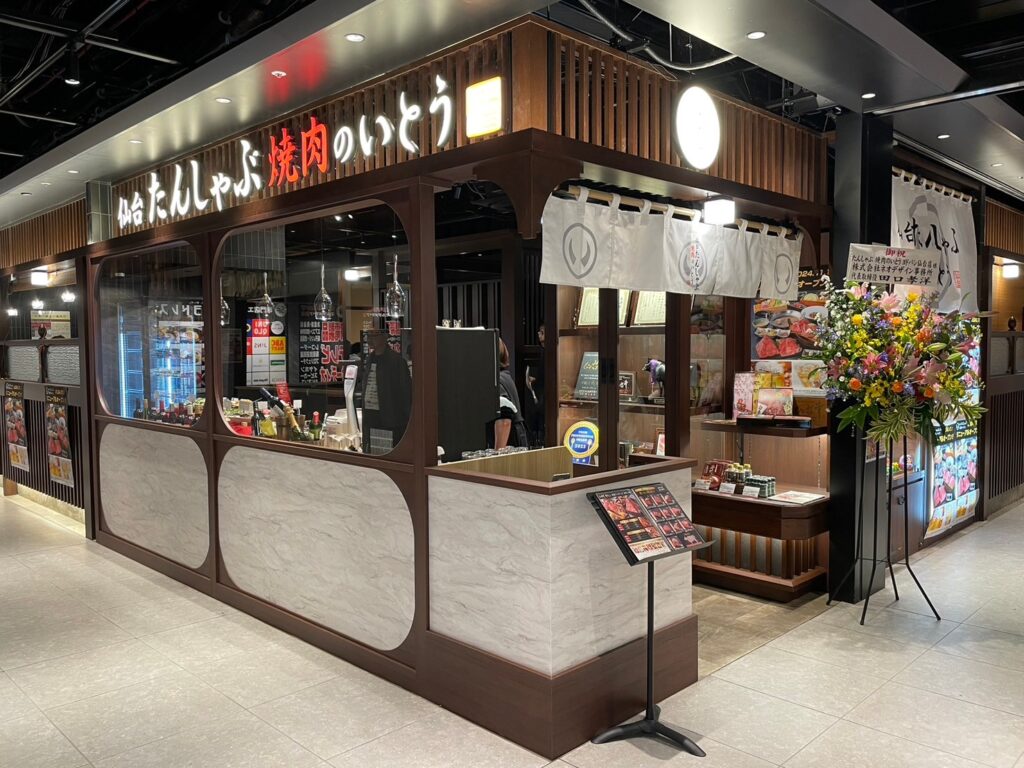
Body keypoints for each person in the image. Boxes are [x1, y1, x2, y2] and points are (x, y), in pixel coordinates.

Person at [360, 330, 412, 455]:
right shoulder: (370, 359)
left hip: (390, 418)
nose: (369, 339)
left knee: (388, 452)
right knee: (372, 451)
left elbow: (405, 393)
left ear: (384, 337)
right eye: (368, 336)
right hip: (371, 415)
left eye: (374, 336)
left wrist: (406, 419)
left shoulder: (396, 361)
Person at [489, 339, 529, 449]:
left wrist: (497, 454)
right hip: (517, 435)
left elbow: (504, 418)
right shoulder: (504, 375)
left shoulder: (496, 380)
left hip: (510, 441)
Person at [525, 323, 545, 447]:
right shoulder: (541, 351)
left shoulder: (550, 352)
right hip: (539, 391)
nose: (538, 334)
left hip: (545, 391)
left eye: (542, 332)